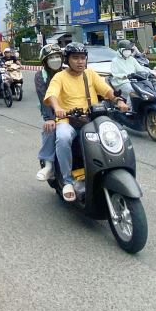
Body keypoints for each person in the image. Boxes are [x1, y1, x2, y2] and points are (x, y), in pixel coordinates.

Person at [44, 42, 129, 202]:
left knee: (115, 134)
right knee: (62, 138)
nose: (80, 61)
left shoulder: (90, 74)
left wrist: (118, 100)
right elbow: (52, 94)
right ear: (67, 60)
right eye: (75, 58)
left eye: (83, 58)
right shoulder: (59, 77)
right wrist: (57, 108)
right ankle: (68, 181)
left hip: (91, 119)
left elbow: (105, 90)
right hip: (67, 120)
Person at [35, 44, 64, 181]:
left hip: (73, 110)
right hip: (53, 112)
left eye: (58, 56)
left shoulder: (68, 72)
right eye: (51, 57)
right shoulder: (41, 76)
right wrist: (50, 118)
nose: (55, 59)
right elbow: (43, 98)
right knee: (49, 129)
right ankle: (48, 165)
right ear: (45, 60)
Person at [110, 40, 149, 110]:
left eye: (129, 49)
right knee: (132, 91)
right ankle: (128, 110)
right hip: (120, 82)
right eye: (126, 50)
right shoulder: (115, 61)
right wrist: (124, 76)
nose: (128, 51)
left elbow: (140, 69)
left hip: (133, 81)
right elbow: (115, 73)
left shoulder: (132, 59)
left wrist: (150, 72)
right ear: (120, 50)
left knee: (143, 90)